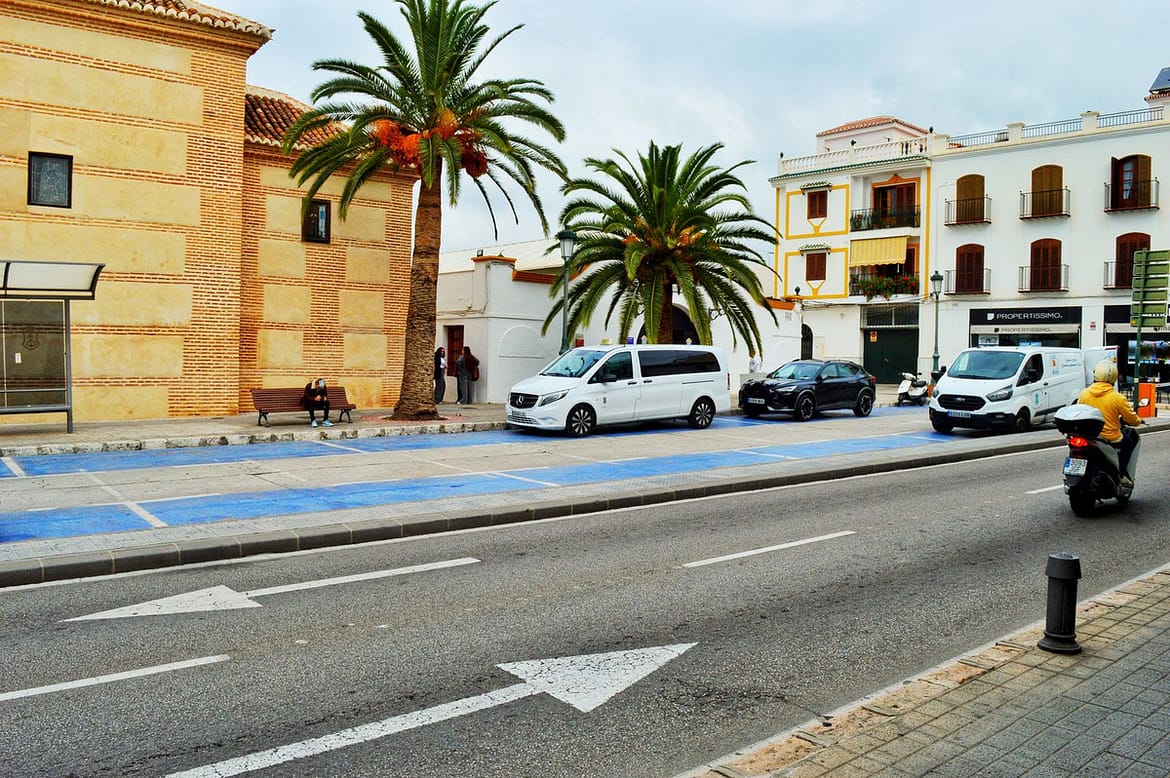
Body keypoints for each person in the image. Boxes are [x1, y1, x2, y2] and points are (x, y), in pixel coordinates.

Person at [1077, 359, 1141, 487]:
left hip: (1088, 436)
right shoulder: (1117, 398)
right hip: (1110, 437)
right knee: (1128, 442)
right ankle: (1121, 474)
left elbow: (1079, 411)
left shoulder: (1084, 394)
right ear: (1114, 378)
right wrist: (1138, 420)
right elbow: (1131, 419)